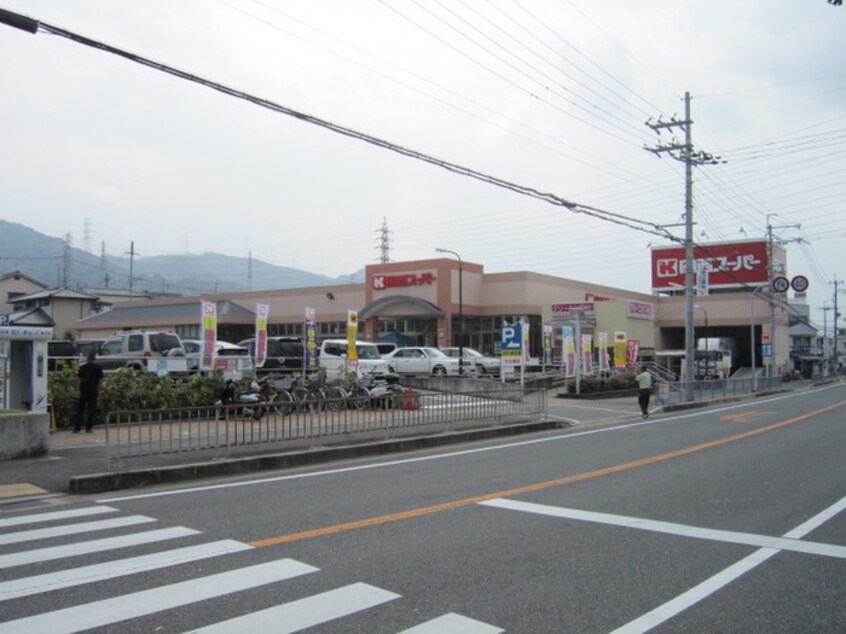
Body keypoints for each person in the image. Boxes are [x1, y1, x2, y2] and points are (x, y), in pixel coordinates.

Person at [74, 352, 105, 433]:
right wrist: (100, 391)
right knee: (91, 410)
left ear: (88, 358)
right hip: (93, 391)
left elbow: (78, 380)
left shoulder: (82, 368)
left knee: (80, 409)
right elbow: (100, 381)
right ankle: (89, 428)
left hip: (83, 390)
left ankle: (77, 428)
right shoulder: (98, 368)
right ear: (94, 359)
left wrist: (77, 390)